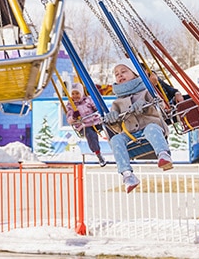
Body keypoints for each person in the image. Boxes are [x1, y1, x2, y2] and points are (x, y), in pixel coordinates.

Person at [103, 62, 173, 193]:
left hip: (151, 128)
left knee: (151, 129)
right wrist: (112, 119)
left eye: (124, 71)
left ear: (135, 74)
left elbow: (161, 106)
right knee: (116, 140)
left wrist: (145, 104)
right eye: (117, 74)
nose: (120, 75)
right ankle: (127, 175)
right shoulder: (117, 103)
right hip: (132, 135)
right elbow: (118, 128)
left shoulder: (147, 91)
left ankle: (163, 154)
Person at [66, 83, 107, 167]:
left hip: (94, 121)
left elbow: (96, 108)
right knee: (91, 135)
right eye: (73, 94)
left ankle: (115, 141)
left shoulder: (88, 100)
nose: (75, 96)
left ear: (81, 93)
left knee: (107, 125)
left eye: (77, 93)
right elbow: (69, 119)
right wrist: (74, 116)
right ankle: (99, 155)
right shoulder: (71, 105)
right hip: (83, 126)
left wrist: (98, 109)